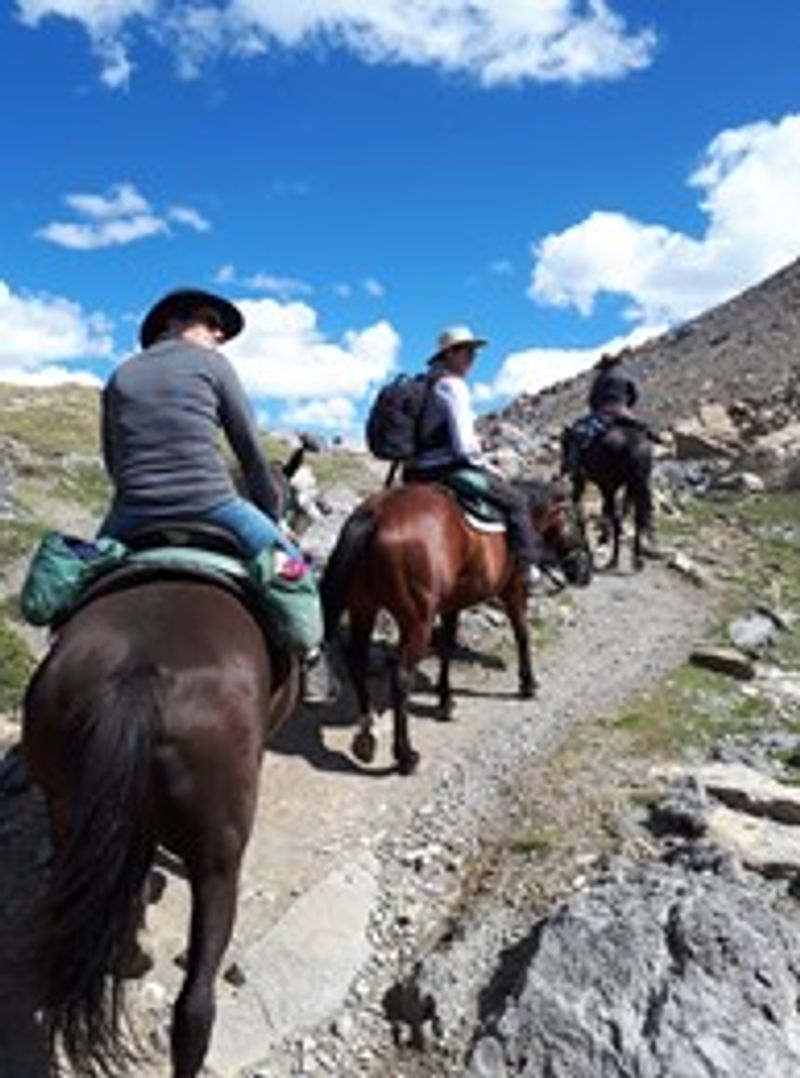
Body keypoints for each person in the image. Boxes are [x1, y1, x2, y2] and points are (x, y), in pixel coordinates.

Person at [99, 287, 334, 700]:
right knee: (295, 570)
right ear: (173, 323)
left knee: (81, 580)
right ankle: (313, 658)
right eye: (210, 321)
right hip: (212, 505)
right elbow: (250, 451)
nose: (219, 334)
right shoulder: (212, 365)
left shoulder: (120, 376)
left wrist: (140, 494)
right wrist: (272, 514)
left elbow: (113, 460)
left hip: (131, 513)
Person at [402, 325, 543, 591]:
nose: (472, 357)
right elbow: (464, 447)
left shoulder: (424, 384)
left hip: (414, 472)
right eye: (466, 351)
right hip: (446, 470)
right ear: (450, 354)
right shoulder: (453, 386)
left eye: (473, 351)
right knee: (516, 502)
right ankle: (527, 571)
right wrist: (488, 465)